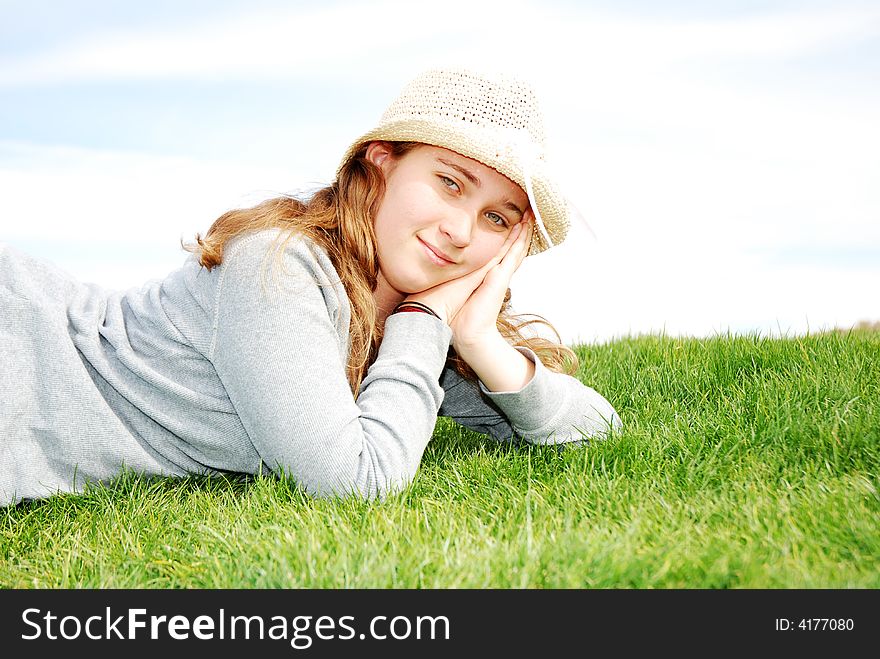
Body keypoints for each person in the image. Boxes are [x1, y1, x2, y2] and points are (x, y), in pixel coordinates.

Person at [0, 68, 621, 506]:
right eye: (450, 183)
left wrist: (480, 341)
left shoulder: (418, 319)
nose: (460, 231)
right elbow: (351, 481)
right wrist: (425, 322)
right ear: (381, 161)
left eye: (497, 218)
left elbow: (597, 431)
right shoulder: (282, 263)